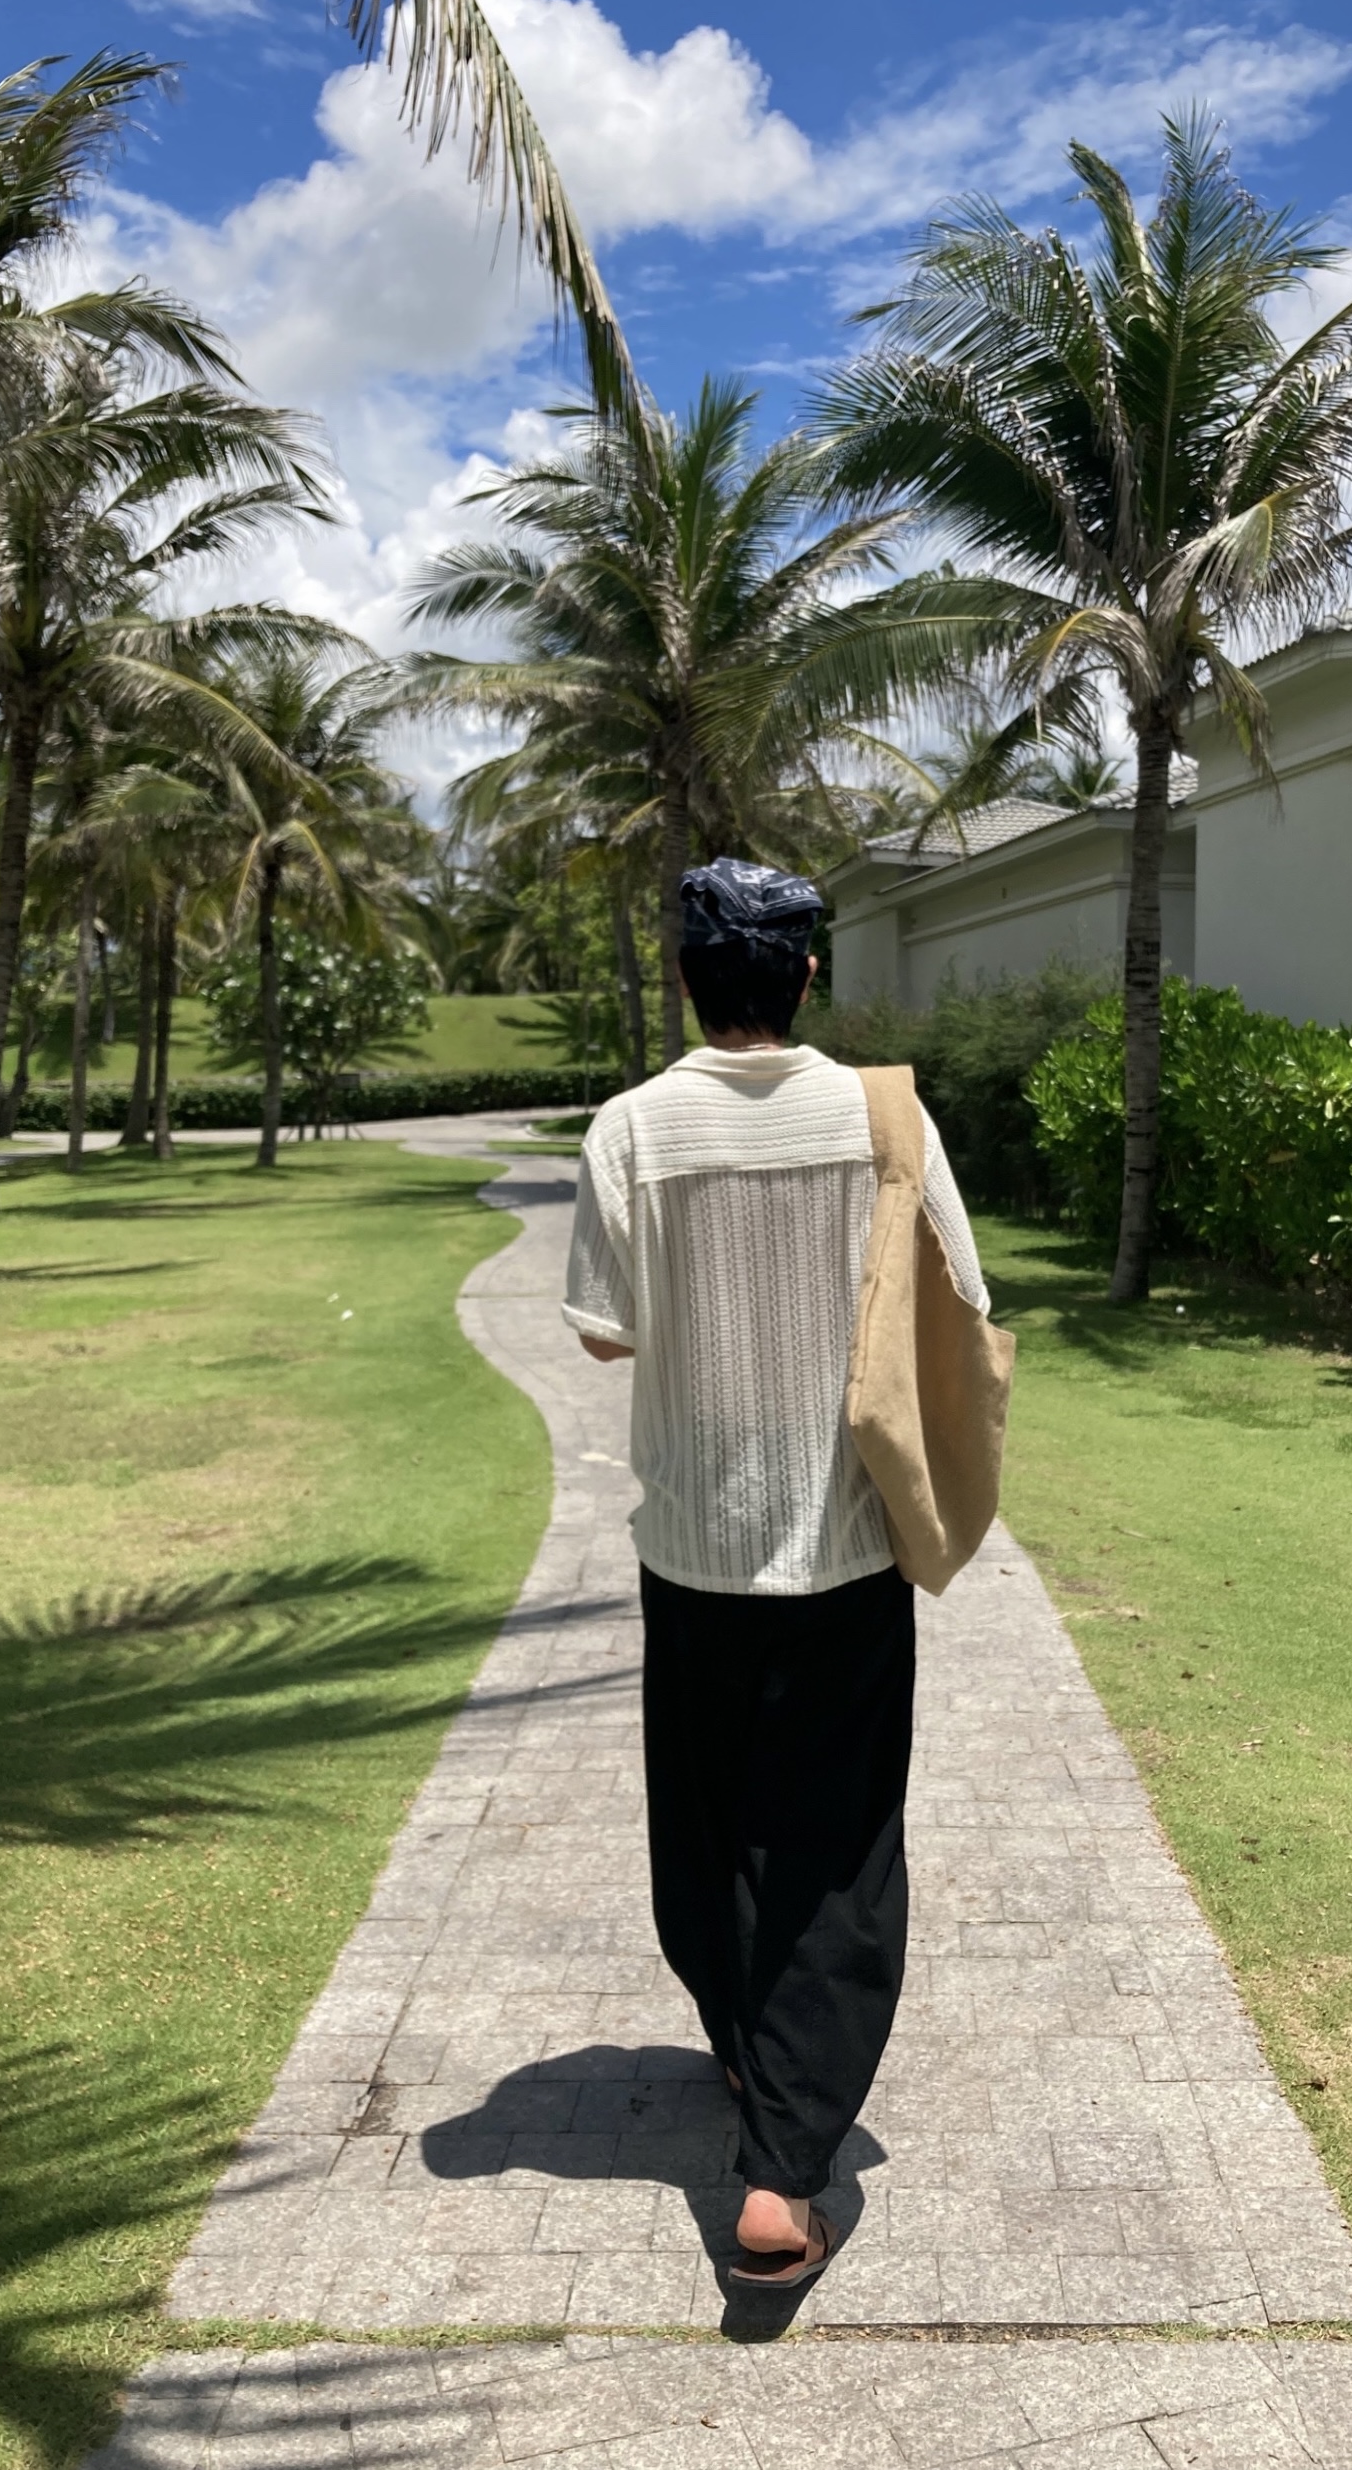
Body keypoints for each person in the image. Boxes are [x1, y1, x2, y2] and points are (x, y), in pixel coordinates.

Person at [561, 856, 990, 2287]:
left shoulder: (631, 1126)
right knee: (832, 1847)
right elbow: (965, 1293)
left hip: (694, 1547)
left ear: (689, 974)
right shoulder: (885, 1117)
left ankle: (751, 2057)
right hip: (846, 1542)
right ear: (806, 973)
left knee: (707, 1828)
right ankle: (783, 2178)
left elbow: (604, 1331)